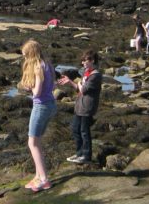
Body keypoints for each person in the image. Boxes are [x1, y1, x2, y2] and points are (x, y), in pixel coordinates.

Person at [17, 39, 56, 192]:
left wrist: (29, 87)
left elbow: (37, 92)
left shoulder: (38, 67)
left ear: (31, 53)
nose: (25, 58)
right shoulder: (48, 64)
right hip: (51, 104)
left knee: (32, 143)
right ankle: (39, 175)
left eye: (25, 55)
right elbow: (52, 85)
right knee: (37, 141)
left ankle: (44, 180)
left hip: (41, 106)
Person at [58, 50, 103, 165]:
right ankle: (79, 153)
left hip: (87, 107)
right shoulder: (87, 73)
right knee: (75, 129)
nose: (83, 63)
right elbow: (79, 89)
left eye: (85, 60)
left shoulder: (95, 75)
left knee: (84, 131)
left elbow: (84, 89)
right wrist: (70, 82)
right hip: (79, 106)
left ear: (92, 61)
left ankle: (86, 156)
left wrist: (79, 84)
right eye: (82, 61)